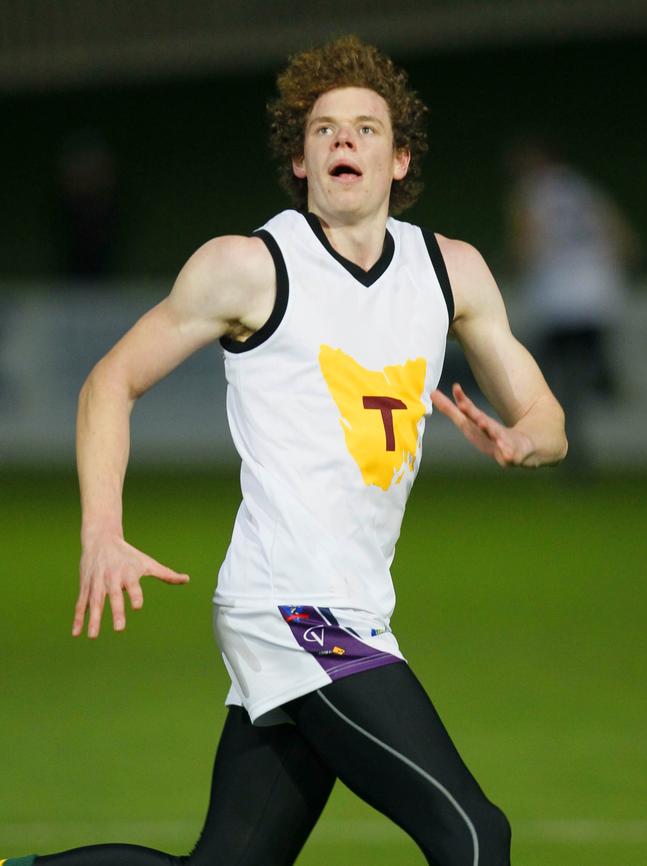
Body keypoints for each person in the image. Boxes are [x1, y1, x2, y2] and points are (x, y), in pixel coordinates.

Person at [4, 35, 567, 866]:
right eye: (324, 129)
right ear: (300, 161)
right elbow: (109, 384)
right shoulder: (249, 268)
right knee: (475, 834)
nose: (344, 140)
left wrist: (527, 440)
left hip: (356, 608)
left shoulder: (453, 273)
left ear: (401, 157)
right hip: (292, 607)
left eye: (367, 128)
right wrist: (101, 529)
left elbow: (549, 418)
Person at [506, 136, 637, 468]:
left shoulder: (533, 193)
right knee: (574, 376)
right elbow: (622, 235)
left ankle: (567, 448)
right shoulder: (582, 189)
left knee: (554, 379)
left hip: (559, 297)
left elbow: (527, 240)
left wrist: (509, 270)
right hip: (597, 293)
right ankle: (602, 376)